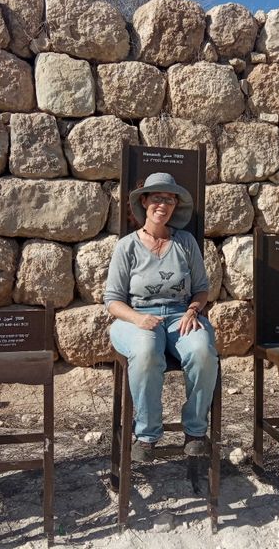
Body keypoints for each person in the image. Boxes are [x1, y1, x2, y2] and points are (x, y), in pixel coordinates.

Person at [104, 172, 218, 463]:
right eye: (157, 198)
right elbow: (113, 301)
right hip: (136, 319)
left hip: (181, 315)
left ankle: (194, 431)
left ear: (174, 206)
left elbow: (202, 289)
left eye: (168, 199)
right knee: (145, 351)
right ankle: (147, 434)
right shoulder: (127, 246)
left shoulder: (186, 242)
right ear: (144, 201)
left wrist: (194, 310)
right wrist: (137, 319)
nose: (162, 205)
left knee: (203, 351)